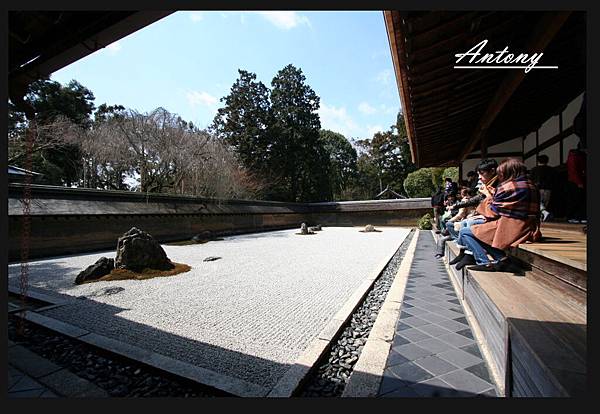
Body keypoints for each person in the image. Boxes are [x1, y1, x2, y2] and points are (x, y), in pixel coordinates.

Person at [459, 158, 542, 272]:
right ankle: (502, 259)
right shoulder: (531, 185)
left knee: (465, 232)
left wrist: (488, 196)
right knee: (477, 230)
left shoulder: (508, 186)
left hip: (513, 227)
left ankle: (485, 262)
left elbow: (492, 212)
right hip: (530, 227)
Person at [530, 154, 556, 222]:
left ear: (538, 161)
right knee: (545, 203)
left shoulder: (534, 169)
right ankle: (543, 216)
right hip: (548, 189)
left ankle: (544, 214)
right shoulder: (551, 170)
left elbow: (531, 180)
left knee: (538, 203)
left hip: (537, 189)